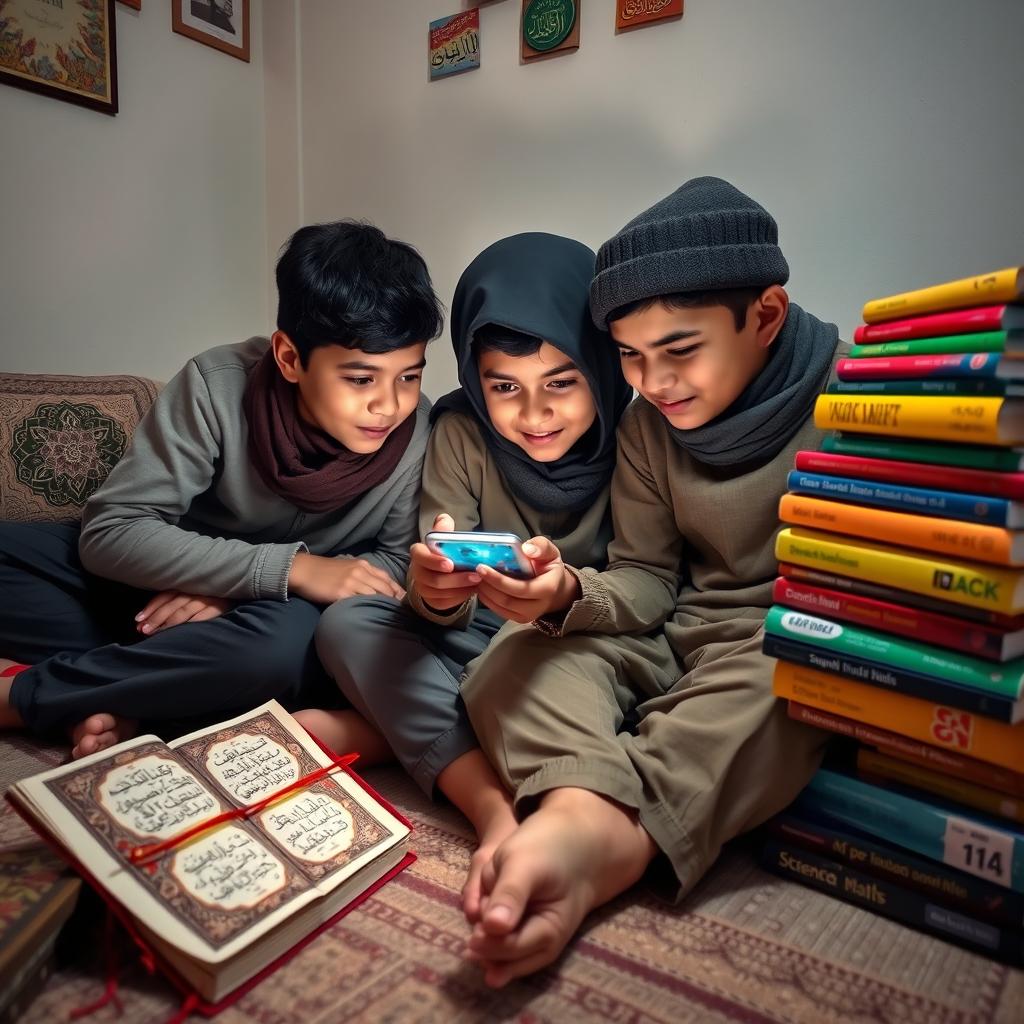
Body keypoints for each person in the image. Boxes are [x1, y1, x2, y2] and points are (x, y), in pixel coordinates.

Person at [458, 177, 844, 986]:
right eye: (631, 358)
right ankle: (578, 805)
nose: (654, 384)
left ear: (765, 315)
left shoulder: (854, 398)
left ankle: (608, 838)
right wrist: (564, 595)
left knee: (794, 684)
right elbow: (644, 580)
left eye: (680, 350)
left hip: (788, 635)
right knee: (511, 659)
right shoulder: (645, 426)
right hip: (673, 635)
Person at [0, 220, 443, 758]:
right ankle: (155, 687)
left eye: (409, 376)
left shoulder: (416, 429)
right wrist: (264, 574)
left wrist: (247, 595)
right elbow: (112, 532)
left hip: (285, 620)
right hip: (168, 585)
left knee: (278, 653)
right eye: (360, 378)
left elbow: (395, 567)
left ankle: (30, 696)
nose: (388, 405)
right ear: (289, 358)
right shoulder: (217, 383)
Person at [296, 233, 631, 919]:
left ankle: (388, 735)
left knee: (608, 677)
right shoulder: (460, 433)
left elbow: (648, 588)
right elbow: (435, 573)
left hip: (581, 648)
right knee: (350, 624)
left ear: (599, 365)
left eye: (562, 384)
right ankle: (474, 772)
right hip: (474, 638)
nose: (533, 416)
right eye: (503, 387)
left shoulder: (645, 438)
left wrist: (564, 594)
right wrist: (438, 590)